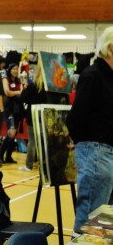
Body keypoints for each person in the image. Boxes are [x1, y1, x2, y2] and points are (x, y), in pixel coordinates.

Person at [66, 26, 113, 236]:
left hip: (105, 152)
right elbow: (76, 118)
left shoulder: (107, 77)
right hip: (96, 151)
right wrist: (84, 144)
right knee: (91, 221)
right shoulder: (93, 75)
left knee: (102, 223)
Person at [18, 55, 68, 172]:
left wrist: (24, 89)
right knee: (46, 141)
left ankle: (29, 165)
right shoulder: (54, 86)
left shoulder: (34, 85)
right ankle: (46, 164)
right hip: (48, 117)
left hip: (34, 116)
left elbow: (23, 98)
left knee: (32, 141)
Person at [0, 63, 22, 164]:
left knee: (14, 134)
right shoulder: (5, 79)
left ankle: (8, 157)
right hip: (9, 109)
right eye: (13, 69)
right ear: (9, 70)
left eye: (17, 69)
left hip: (18, 109)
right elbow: (7, 92)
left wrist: (17, 92)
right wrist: (18, 92)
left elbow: (23, 91)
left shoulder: (19, 81)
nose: (15, 71)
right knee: (11, 132)